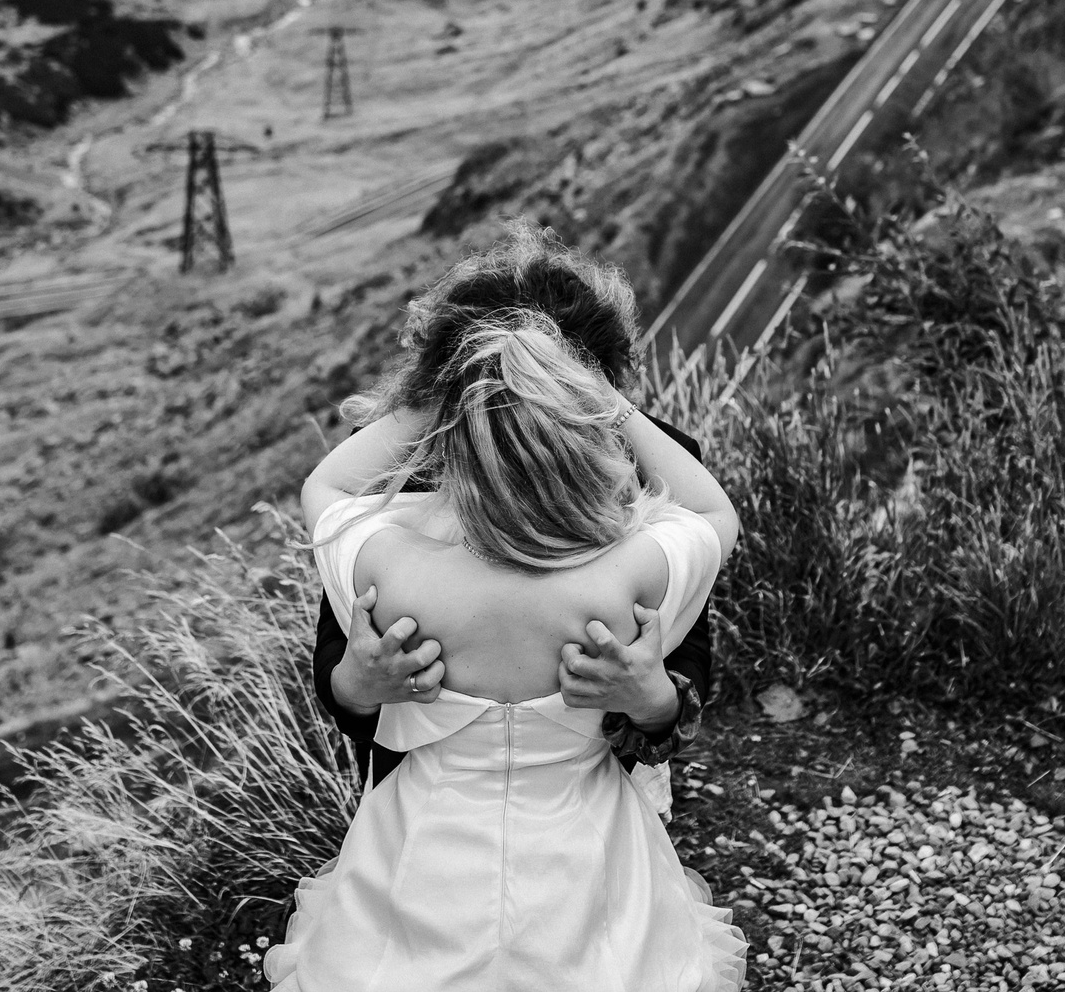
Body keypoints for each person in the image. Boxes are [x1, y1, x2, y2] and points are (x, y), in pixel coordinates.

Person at [267, 252, 745, 990]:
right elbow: (716, 514)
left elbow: (323, 486)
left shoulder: (387, 540)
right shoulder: (646, 530)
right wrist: (357, 683)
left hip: (431, 843)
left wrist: (654, 698)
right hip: (582, 833)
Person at [310, 229, 713, 808]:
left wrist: (656, 703)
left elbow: (692, 651)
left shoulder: (656, 463)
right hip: (419, 801)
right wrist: (356, 687)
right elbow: (338, 650)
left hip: (604, 798)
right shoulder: (392, 469)